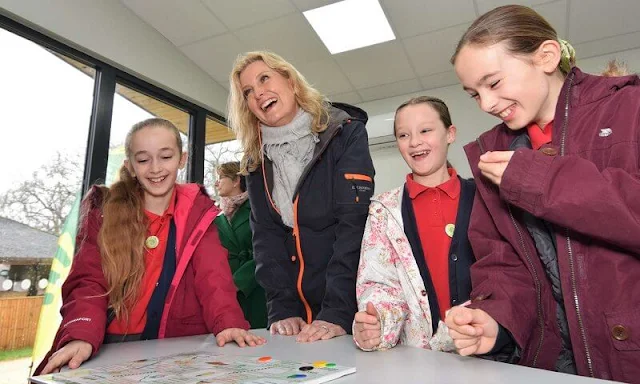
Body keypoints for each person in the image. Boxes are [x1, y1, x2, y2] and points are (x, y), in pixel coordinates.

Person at [444, 5, 640, 382]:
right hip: (552, 364)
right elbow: (502, 263)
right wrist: (496, 320)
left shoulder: (628, 107)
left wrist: (541, 181)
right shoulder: (492, 156)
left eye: (494, 83)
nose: (486, 104)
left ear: (546, 57)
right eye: (474, 94)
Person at [36, 118, 264, 375]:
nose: (155, 168)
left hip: (172, 349)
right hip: (105, 346)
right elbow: (88, 281)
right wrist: (81, 334)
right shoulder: (103, 209)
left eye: (165, 156)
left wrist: (228, 323)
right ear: (130, 166)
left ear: (182, 159)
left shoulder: (198, 213)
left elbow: (213, 278)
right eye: (143, 160)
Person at [228, 51, 375, 343]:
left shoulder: (345, 133)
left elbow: (352, 227)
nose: (258, 93)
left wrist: (337, 310)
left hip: (348, 305)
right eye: (247, 91)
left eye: (264, 78)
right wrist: (281, 307)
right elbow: (265, 238)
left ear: (291, 81)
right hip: (294, 316)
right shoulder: (254, 160)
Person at [353, 97, 475, 351]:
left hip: (486, 355)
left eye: (425, 130)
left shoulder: (483, 199)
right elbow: (379, 285)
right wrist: (377, 323)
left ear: (450, 134)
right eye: (403, 135)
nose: (415, 142)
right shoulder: (384, 211)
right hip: (418, 361)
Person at [214, 161, 267, 329]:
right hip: (225, 293)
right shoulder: (217, 216)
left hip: (255, 288)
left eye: (221, 177)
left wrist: (238, 281)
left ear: (236, 180)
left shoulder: (257, 208)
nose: (216, 183)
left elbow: (265, 248)